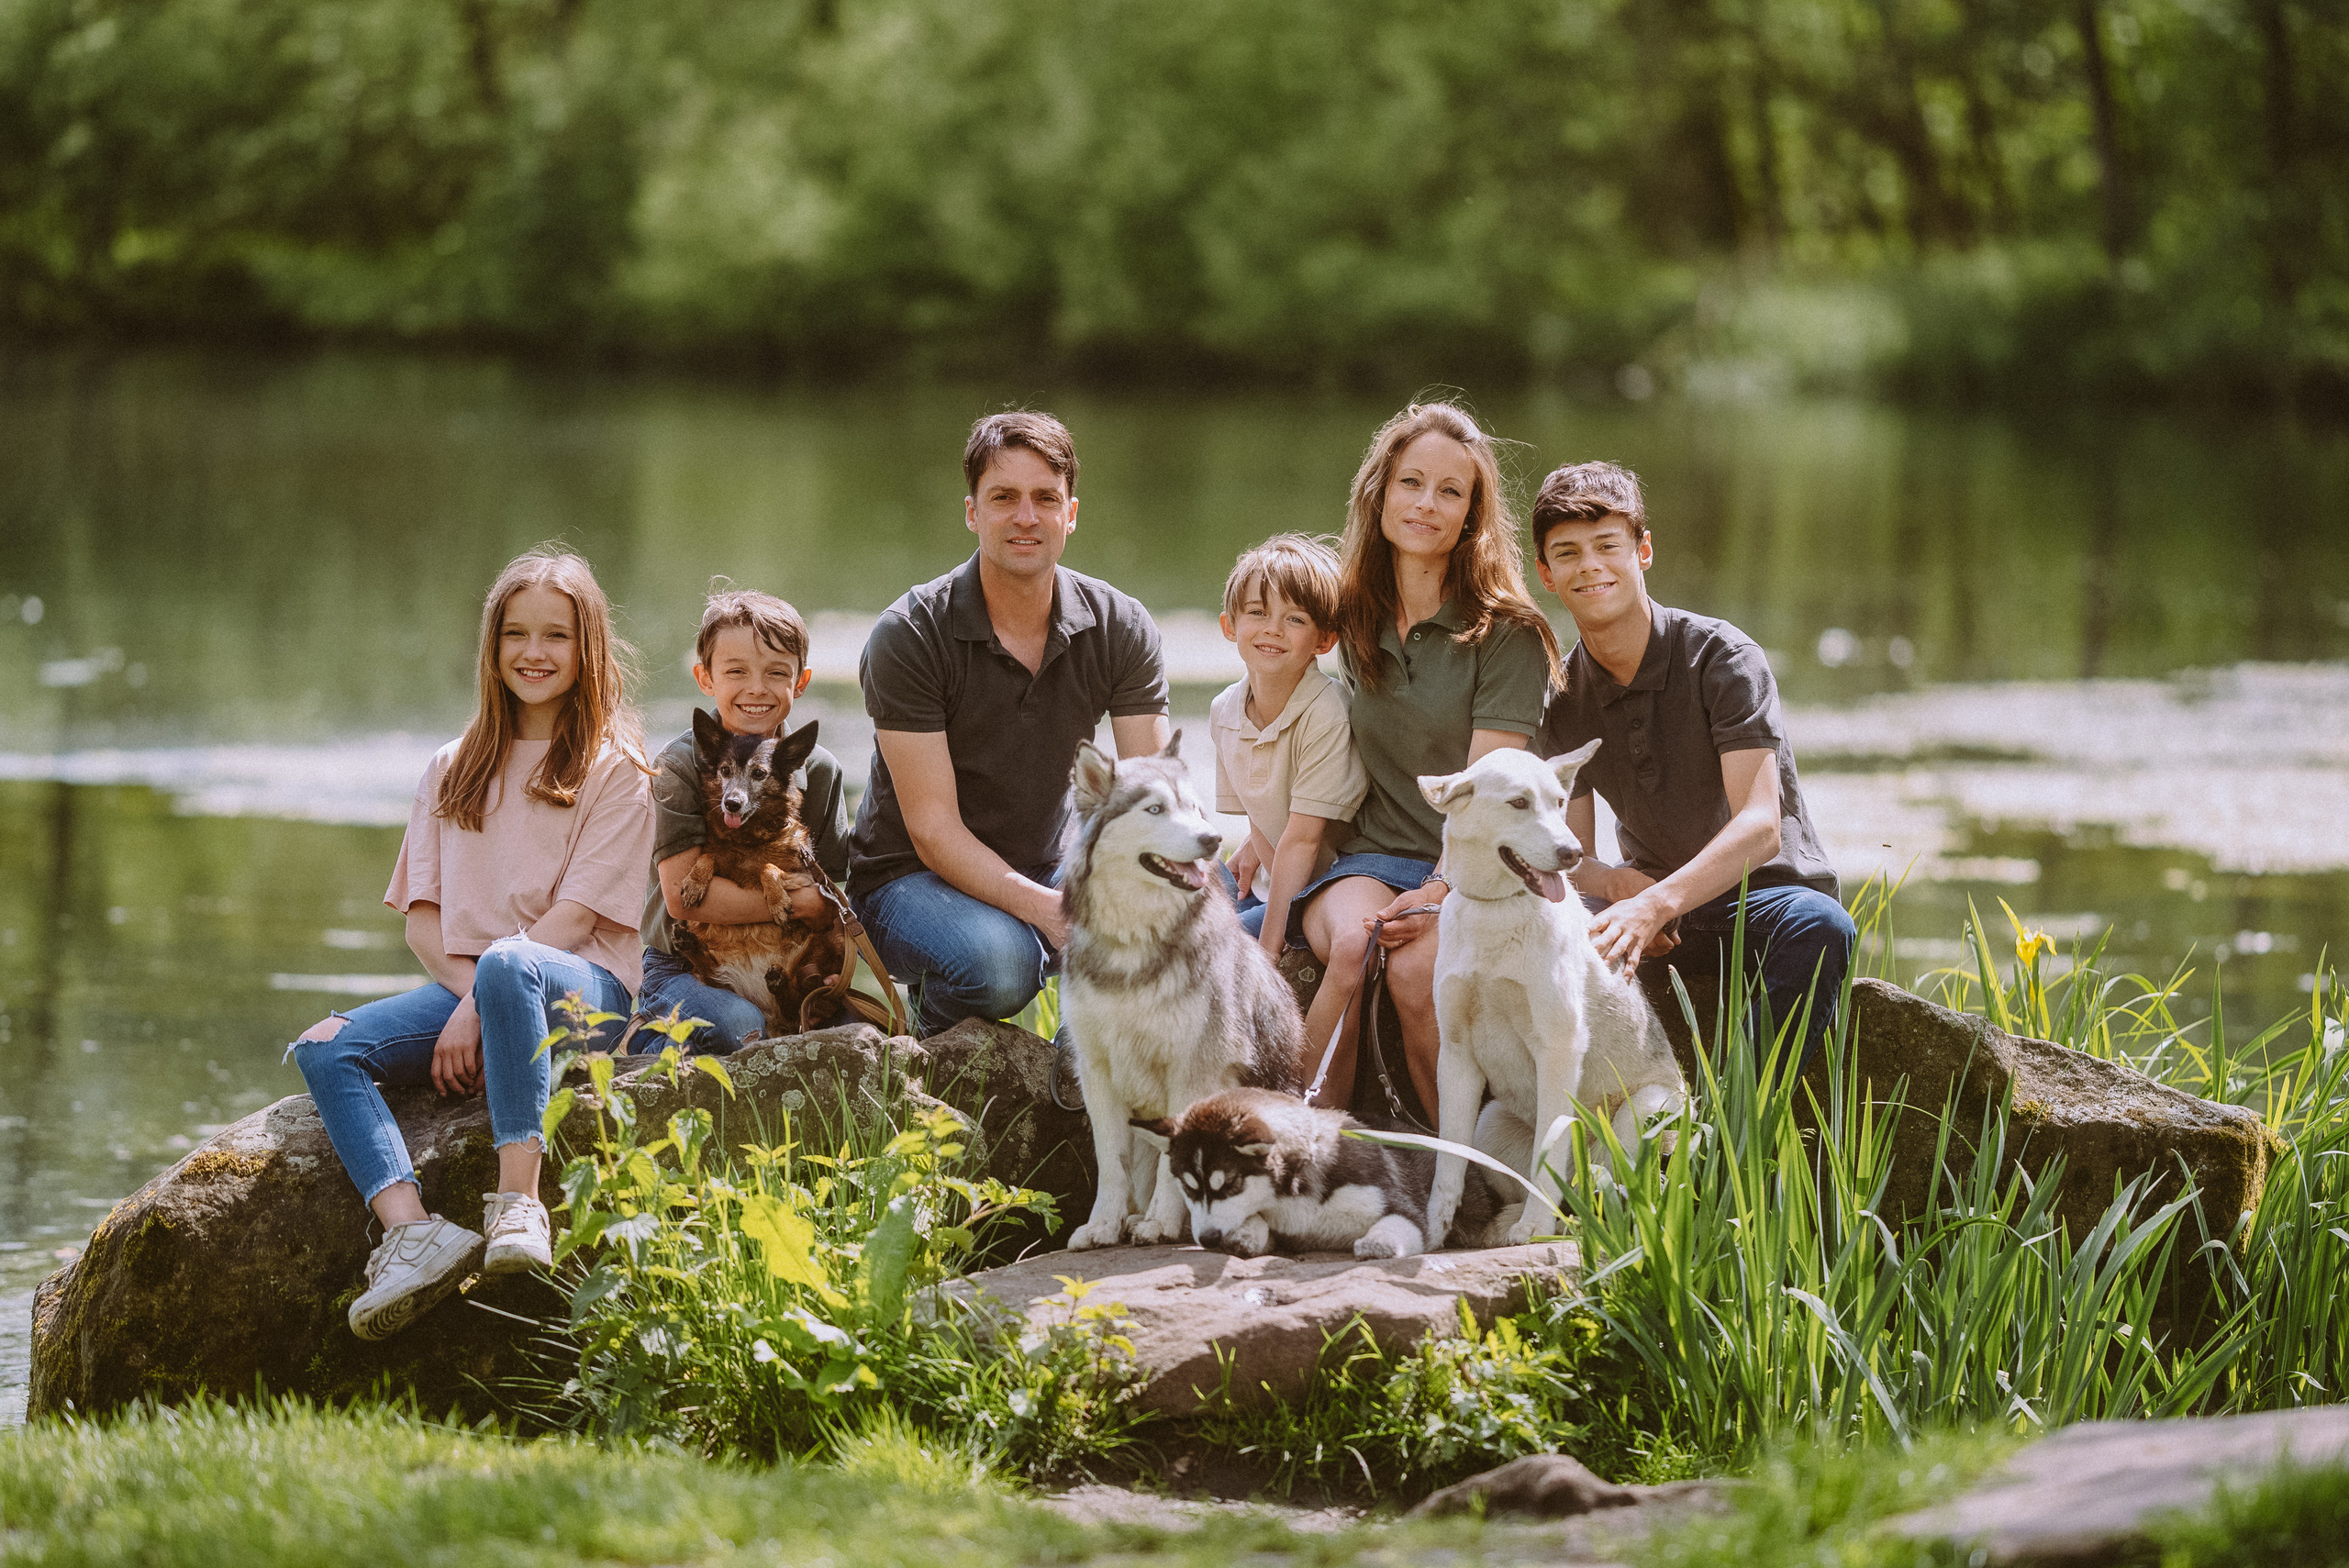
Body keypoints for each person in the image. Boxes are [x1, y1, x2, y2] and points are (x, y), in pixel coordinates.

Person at [290, 547, 652, 1340]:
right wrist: (479, 998)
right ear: (491, 648)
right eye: (515, 634)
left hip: (583, 987)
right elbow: (422, 923)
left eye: (554, 635)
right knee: (325, 1046)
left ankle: (519, 1203)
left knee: (511, 960)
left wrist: (491, 988)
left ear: (587, 649)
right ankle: (413, 1232)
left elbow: (575, 921)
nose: (533, 652)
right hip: (482, 983)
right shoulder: (451, 768)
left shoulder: (617, 772)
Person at [848, 410, 1170, 1062]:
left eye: (1045, 498)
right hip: (906, 878)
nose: (1026, 516)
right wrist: (1054, 912)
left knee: (1165, 896)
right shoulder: (909, 635)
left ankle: (1075, 1067)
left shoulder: (1121, 626)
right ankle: (921, 1053)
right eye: (1004, 498)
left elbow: (1157, 794)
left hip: (1046, 857)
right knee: (1001, 965)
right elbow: (933, 830)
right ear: (972, 512)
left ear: (1071, 513)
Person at [1531, 461, 1855, 1065]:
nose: (1591, 566)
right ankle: (1605, 1128)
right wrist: (1618, 885)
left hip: (1762, 897)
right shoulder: (1562, 696)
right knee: (1554, 933)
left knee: (1825, 928)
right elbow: (1569, 855)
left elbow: (1760, 827)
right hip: (1656, 905)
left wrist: (1658, 901)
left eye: (1608, 545)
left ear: (1643, 550)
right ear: (1547, 574)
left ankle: (1730, 1129)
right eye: (1568, 553)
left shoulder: (1722, 658)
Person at [1287, 403, 1560, 1117]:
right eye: (1411, 482)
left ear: (1472, 514)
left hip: (1473, 869)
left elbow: (1488, 795)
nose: (1426, 505)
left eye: (1450, 491)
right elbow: (1277, 716)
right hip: (1372, 858)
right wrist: (1265, 836)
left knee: (1415, 972)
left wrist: (1440, 892)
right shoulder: (1348, 614)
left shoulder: (1509, 633)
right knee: (1353, 946)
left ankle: (1464, 1175)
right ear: (1379, 492)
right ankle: (1303, 1158)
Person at [634, 586, 852, 1055]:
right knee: (740, 1026)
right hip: (687, 962)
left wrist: (826, 936)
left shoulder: (820, 768)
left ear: (801, 682)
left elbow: (834, 893)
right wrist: (801, 902)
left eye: (777, 673)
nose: (756, 688)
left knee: (848, 1035)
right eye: (736, 672)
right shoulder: (679, 765)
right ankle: (653, 1037)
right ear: (705, 678)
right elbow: (683, 900)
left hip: (783, 955)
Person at [1214, 535, 1368, 962]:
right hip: (1272, 888)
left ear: (1324, 640)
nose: (1273, 629)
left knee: (1207, 958)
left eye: (1295, 619)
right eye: (1257, 613)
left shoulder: (1328, 711)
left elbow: (1302, 841)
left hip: (1324, 890)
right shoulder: (1224, 711)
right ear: (1230, 626)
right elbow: (1260, 823)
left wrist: (1271, 940)